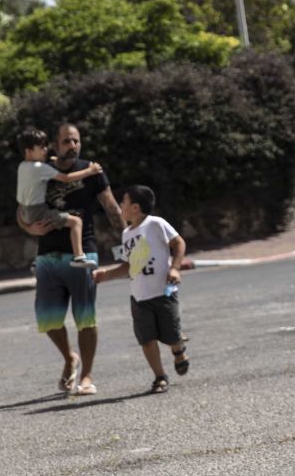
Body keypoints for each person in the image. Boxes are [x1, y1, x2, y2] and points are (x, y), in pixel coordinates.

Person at [18, 123, 125, 396]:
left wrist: (129, 240)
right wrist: (29, 228)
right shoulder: (40, 168)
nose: (73, 146)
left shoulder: (91, 170)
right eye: (67, 141)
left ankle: (87, 376)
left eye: (76, 141)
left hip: (83, 252)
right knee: (48, 319)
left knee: (85, 318)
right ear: (55, 144)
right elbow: (21, 208)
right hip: (47, 254)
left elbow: (111, 208)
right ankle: (70, 359)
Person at [92, 185, 190, 394]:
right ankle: (160, 376)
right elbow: (129, 265)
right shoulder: (127, 234)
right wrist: (106, 274)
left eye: (123, 203)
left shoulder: (155, 224)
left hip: (163, 292)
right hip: (139, 296)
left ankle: (178, 348)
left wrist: (175, 268)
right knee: (147, 340)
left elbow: (179, 243)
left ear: (135, 207)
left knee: (172, 335)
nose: (120, 206)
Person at [16, 126, 102, 269]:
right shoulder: (40, 168)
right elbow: (66, 178)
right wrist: (89, 171)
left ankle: (38, 262)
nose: (45, 150)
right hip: (38, 212)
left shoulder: (23, 166)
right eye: (41, 147)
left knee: (48, 226)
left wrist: (55, 160)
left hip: (24, 212)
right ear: (29, 151)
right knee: (76, 222)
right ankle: (79, 257)